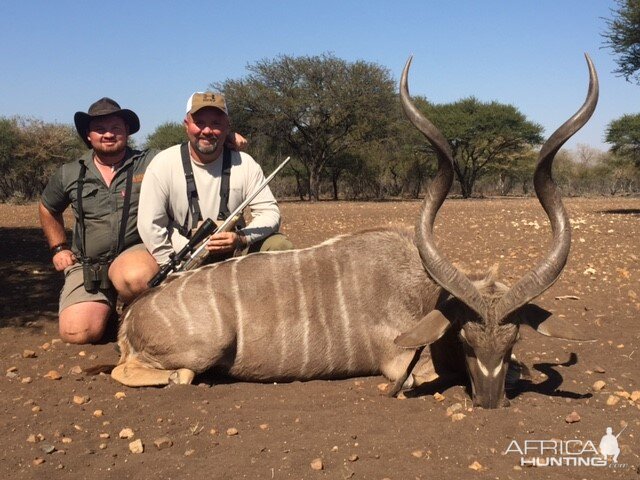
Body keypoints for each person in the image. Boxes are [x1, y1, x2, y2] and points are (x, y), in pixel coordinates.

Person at [39, 97, 247, 344]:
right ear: (88, 135)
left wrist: (223, 136)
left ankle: (141, 316)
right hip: (89, 264)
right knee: (78, 333)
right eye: (100, 129)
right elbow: (47, 207)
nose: (108, 134)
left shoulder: (152, 161)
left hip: (135, 254)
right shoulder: (70, 172)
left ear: (127, 132)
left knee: (137, 276)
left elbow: (190, 148)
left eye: (115, 128)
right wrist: (59, 247)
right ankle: (115, 314)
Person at [137, 91, 292, 268]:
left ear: (227, 127)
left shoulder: (245, 163)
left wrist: (240, 238)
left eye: (216, 123)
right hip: (183, 258)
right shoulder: (163, 164)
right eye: (199, 122)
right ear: (186, 125)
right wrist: (173, 265)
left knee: (280, 246)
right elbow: (150, 225)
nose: (207, 131)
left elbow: (269, 212)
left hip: (235, 254)